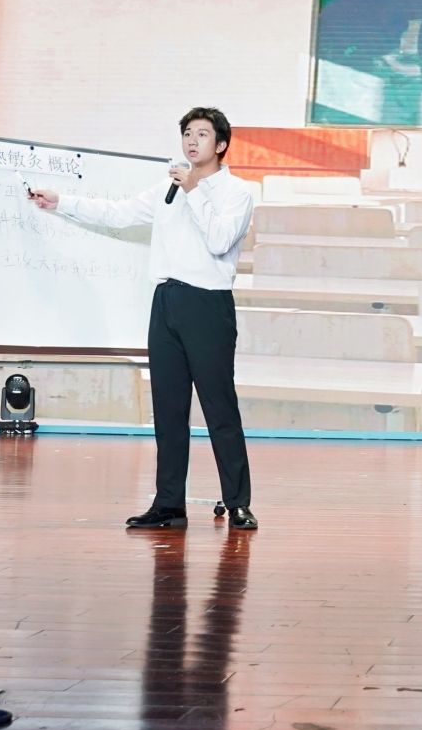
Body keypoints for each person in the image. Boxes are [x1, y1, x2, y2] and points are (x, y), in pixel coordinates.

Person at [30, 107, 259, 530]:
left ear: (221, 144)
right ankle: (169, 504)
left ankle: (238, 502)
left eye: (202, 134)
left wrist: (194, 191)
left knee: (219, 408)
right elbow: (117, 214)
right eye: (187, 134)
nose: (192, 141)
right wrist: (61, 203)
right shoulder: (167, 189)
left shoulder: (237, 192)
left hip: (208, 306)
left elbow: (219, 240)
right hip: (166, 301)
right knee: (168, 410)